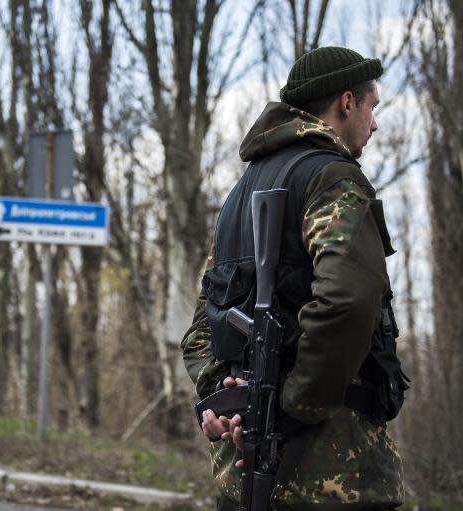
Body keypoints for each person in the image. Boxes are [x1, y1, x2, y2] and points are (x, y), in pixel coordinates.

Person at [181, 46, 406, 510]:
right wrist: (290, 410)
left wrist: (224, 407)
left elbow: (201, 331)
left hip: (241, 480)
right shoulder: (332, 178)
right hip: (333, 478)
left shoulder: (236, 199)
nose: (375, 123)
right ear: (347, 102)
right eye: (372, 106)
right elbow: (347, 301)